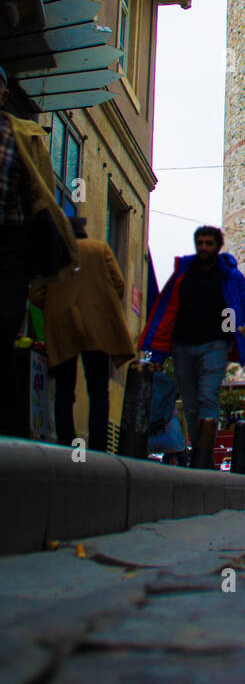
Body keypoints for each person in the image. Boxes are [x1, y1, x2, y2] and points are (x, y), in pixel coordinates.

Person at [140, 225, 245, 449]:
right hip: (183, 345)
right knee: (191, 404)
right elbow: (167, 313)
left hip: (214, 345)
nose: (203, 247)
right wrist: (159, 354)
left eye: (208, 243)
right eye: (200, 242)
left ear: (218, 246)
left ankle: (204, 453)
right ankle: (200, 452)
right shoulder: (183, 274)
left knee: (207, 395)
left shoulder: (230, 277)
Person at [0, 66, 78, 436]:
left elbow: (42, 192)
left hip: (10, 243)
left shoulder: (24, 134)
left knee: (6, 322)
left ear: (4, 95)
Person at [31, 216, 134, 451]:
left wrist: (56, 304)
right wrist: (100, 304)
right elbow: (118, 283)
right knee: (98, 390)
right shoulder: (99, 249)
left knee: (65, 390)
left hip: (62, 326)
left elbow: (36, 294)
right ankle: (98, 447)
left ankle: (66, 443)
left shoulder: (51, 255)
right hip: (96, 326)